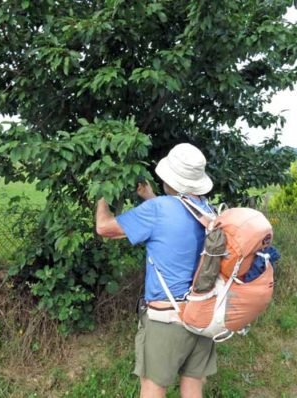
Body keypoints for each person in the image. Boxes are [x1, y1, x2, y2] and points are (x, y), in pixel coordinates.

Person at [96, 143, 217, 398]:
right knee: (193, 387)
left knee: (152, 389)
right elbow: (178, 222)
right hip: (202, 315)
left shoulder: (158, 210)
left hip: (166, 321)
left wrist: (101, 193)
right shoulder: (208, 211)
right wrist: (151, 197)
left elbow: (104, 227)